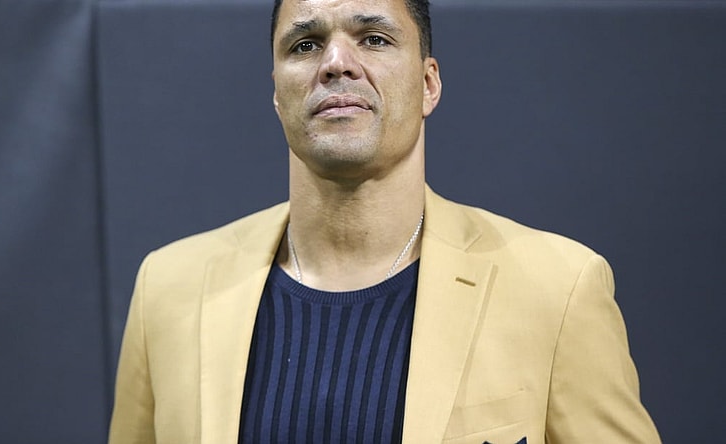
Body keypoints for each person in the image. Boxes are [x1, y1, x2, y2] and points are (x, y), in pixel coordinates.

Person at [108, 0, 661, 442]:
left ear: (428, 84)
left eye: (374, 38)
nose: (336, 63)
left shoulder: (559, 288)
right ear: (277, 94)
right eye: (306, 44)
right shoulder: (169, 288)